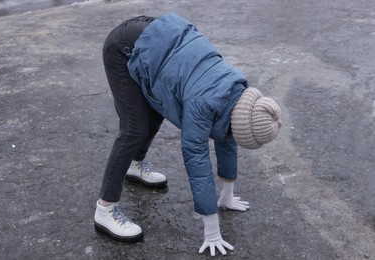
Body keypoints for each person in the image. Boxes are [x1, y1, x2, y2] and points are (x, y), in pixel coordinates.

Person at [94, 12, 282, 256]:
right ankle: (105, 209)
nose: (233, 136)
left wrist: (227, 195)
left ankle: (136, 165)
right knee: (134, 129)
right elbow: (196, 156)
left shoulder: (238, 96)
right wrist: (212, 228)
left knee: (155, 110)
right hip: (125, 47)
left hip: (160, 41)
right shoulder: (203, 102)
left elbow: (227, 139)